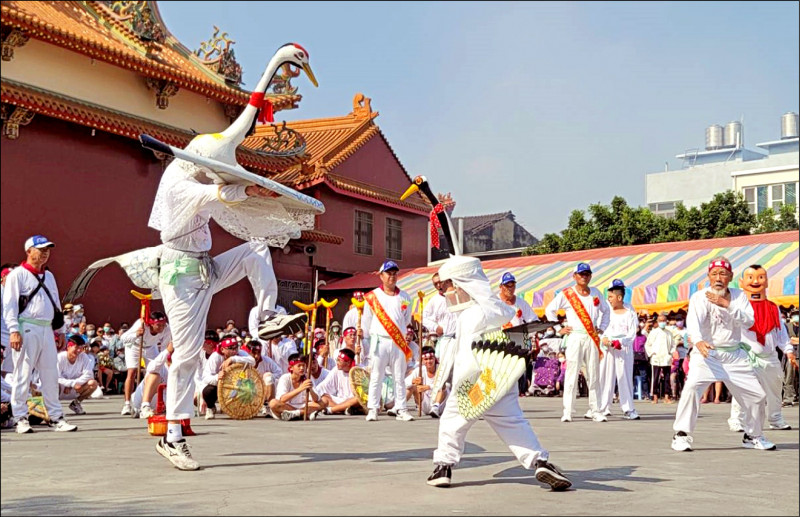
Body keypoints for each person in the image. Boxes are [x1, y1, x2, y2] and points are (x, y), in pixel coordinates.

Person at [426, 254, 570, 491]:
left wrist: (455, 384)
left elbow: (468, 356)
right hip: (502, 381)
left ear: (462, 285)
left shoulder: (471, 315)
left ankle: (444, 466)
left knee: (452, 422)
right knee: (514, 423)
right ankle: (540, 461)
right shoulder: (495, 309)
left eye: (449, 285)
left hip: (473, 384)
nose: (446, 292)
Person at [671, 257, 774, 452]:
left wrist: (727, 304)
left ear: (731, 277)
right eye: (714, 274)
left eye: (723, 274)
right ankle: (682, 434)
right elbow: (693, 322)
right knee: (692, 388)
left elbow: (748, 321)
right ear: (708, 276)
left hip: (734, 355)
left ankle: (753, 435)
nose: (718, 278)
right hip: (707, 354)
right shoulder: (699, 297)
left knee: (757, 395)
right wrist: (698, 340)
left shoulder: (739, 296)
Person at [2, 235, 77, 433]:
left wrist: (60, 330)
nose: (45, 253)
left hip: (46, 329)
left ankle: (55, 416)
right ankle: (20, 417)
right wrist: (13, 331)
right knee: (23, 373)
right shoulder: (16, 275)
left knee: (50, 374)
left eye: (47, 250)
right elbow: (9, 305)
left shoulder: (49, 276)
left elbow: (56, 302)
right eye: (41, 249)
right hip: (26, 327)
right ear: (29, 251)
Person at [727, 265, 796, 432]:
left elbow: (780, 332)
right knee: (742, 389)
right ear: (742, 282)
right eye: (750, 278)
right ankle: (737, 420)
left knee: (775, 389)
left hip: (769, 356)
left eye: (760, 277)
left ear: (766, 282)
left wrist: (788, 350)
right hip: (746, 355)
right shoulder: (737, 306)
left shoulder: (773, 307)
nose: (755, 281)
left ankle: (776, 418)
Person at [544, 262, 610, 423]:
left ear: (590, 276)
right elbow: (549, 310)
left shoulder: (596, 293)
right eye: (581, 274)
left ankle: (596, 410)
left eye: (587, 274)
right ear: (575, 276)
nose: (584, 277)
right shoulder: (567, 294)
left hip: (591, 337)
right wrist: (560, 328)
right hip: (574, 336)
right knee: (572, 373)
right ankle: (568, 410)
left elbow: (606, 311)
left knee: (594, 374)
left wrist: (601, 328)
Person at [361, 260, 415, 422]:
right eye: (388, 273)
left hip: (398, 342)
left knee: (399, 376)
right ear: (381, 276)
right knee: (377, 375)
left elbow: (405, 320)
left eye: (394, 273)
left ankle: (401, 408)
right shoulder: (372, 297)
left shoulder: (405, 297)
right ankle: (373, 408)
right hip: (379, 341)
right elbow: (367, 322)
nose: (392, 277)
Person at [597, 279, 639, 420]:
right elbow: (600, 328)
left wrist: (620, 342)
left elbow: (632, 333)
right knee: (606, 377)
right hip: (607, 348)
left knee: (625, 377)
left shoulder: (630, 311)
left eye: (611, 297)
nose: (608, 299)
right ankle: (603, 407)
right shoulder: (605, 311)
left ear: (619, 297)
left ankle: (628, 409)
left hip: (623, 348)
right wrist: (603, 338)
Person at [119, 311, 170, 416]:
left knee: (156, 370)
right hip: (134, 345)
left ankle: (148, 398)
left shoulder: (166, 329)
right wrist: (137, 334)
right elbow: (123, 339)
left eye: (163, 325)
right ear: (151, 323)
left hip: (151, 347)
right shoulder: (140, 324)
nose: (161, 327)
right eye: (158, 325)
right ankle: (127, 404)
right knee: (132, 372)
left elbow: (165, 348)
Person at [199, 335, 255, 420]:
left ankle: (242, 408)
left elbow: (252, 361)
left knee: (249, 385)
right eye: (230, 348)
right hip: (219, 385)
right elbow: (206, 377)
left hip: (237, 383)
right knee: (208, 391)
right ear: (222, 349)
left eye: (236, 347)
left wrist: (233, 359)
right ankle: (210, 407)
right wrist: (217, 377)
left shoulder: (239, 353)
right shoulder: (215, 357)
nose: (234, 350)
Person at [269, 353, 326, 421]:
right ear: (291, 367)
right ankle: (302, 413)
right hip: (287, 406)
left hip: (303, 406)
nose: (302, 368)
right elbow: (282, 399)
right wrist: (300, 388)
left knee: (324, 401)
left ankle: (295, 414)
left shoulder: (308, 377)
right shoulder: (285, 378)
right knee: (273, 403)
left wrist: (310, 389)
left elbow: (316, 399)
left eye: (303, 365)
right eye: (299, 366)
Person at [57, 335, 98, 415]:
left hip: (77, 388)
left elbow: (89, 374)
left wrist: (73, 384)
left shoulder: (84, 357)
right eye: (76, 347)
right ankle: (55, 408)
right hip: (60, 389)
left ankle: (76, 403)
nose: (79, 350)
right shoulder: (59, 358)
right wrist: (71, 384)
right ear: (68, 346)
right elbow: (56, 377)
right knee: (51, 383)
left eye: (81, 348)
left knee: (92, 383)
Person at [315, 348, 364, 415]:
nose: (337, 363)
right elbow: (324, 386)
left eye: (339, 361)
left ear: (348, 362)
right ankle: (343, 410)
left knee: (358, 399)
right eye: (337, 360)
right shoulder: (336, 370)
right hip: (340, 400)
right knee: (324, 398)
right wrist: (312, 393)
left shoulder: (359, 371)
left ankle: (331, 410)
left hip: (353, 401)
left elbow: (363, 392)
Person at [422, 273, 457, 360]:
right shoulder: (434, 300)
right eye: (435, 284)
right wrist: (436, 327)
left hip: (460, 337)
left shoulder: (458, 295)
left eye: (440, 282)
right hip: (445, 338)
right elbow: (423, 317)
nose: (438, 285)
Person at [406, 346, 447, 418]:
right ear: (422, 360)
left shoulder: (441, 369)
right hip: (425, 404)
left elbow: (447, 384)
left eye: (431, 358)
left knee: (442, 386)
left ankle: (435, 407)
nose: (429, 361)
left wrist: (428, 387)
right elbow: (404, 383)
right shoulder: (419, 370)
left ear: (435, 359)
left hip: (440, 405)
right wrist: (413, 381)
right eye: (426, 359)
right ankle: (400, 406)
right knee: (411, 386)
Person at [645, 312, 675, 404]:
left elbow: (673, 345)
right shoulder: (653, 332)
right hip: (656, 358)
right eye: (660, 321)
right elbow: (648, 345)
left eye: (664, 321)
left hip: (666, 357)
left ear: (666, 321)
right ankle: (655, 396)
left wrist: (671, 353)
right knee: (655, 378)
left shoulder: (669, 333)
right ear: (657, 322)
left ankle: (667, 396)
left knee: (667, 378)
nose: (662, 322)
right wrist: (652, 353)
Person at [783, 309, 799, 406]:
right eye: (794, 315)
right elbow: (787, 340)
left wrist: (793, 339)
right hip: (791, 355)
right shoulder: (787, 326)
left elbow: (792, 339)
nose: (796, 316)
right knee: (789, 377)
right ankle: (788, 398)